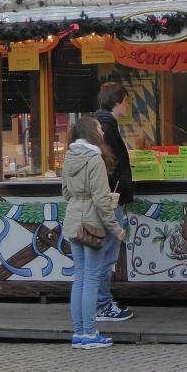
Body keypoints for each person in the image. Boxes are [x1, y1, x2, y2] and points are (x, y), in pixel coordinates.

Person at [61, 115, 126, 349]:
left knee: (79, 277)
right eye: (99, 127)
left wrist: (79, 200)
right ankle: (89, 333)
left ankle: (79, 332)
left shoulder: (69, 156)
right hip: (92, 223)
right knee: (91, 279)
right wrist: (115, 228)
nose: (103, 130)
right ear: (92, 133)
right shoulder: (95, 159)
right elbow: (101, 200)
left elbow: (66, 193)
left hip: (72, 220)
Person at [92, 82, 134, 323]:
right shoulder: (107, 128)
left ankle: (101, 302)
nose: (127, 105)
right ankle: (102, 305)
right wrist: (123, 190)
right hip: (110, 200)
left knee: (103, 256)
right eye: (126, 101)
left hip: (105, 199)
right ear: (117, 102)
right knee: (106, 256)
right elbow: (111, 166)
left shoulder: (100, 126)